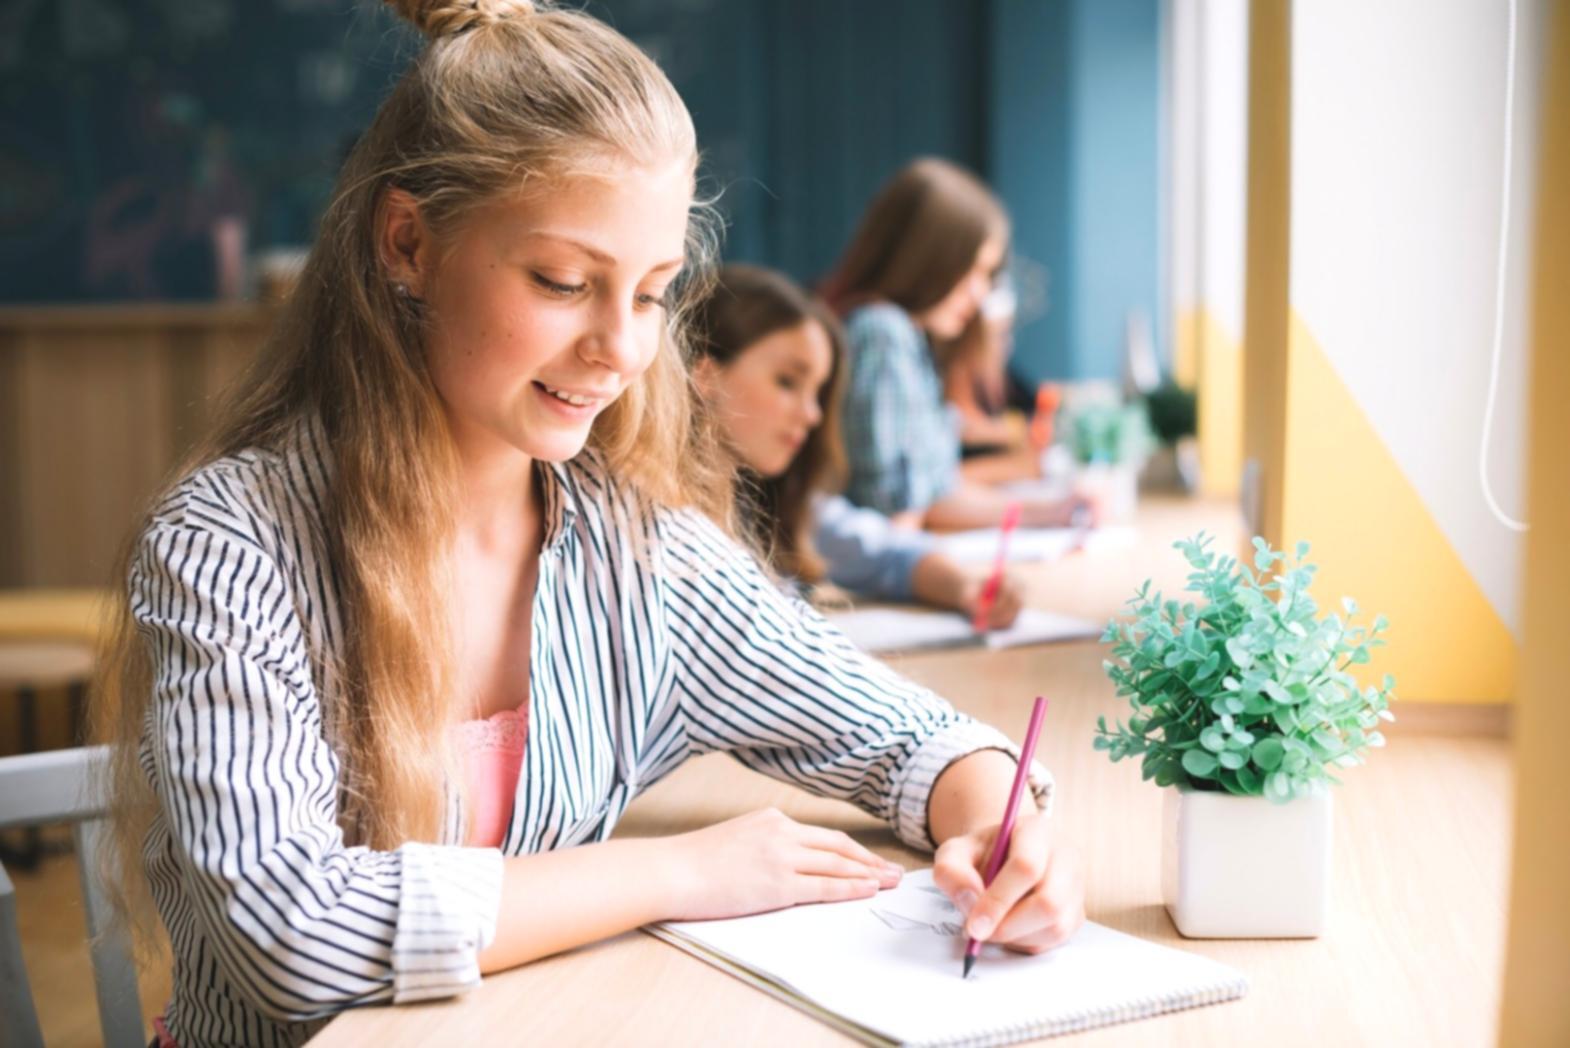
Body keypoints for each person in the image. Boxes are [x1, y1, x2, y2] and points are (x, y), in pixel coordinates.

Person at [90, 5, 1084, 1045]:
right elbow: (290, 938)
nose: (619, 349)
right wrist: (675, 870)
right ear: (407, 243)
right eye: (564, 283)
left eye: (651, 295)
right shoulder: (230, 543)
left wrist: (1007, 829)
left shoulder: (636, 551)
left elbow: (907, 737)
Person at [690, 263, 1025, 627]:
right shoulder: (666, 528)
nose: (812, 415)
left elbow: (886, 552)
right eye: (787, 382)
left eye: (817, 392)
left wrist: (965, 585)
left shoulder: (777, 501)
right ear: (707, 376)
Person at [823, 157, 1092, 530]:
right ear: (927, 259)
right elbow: (896, 512)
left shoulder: (904, 336)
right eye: (974, 271)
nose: (980, 293)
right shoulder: (882, 333)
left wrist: (1053, 512)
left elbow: (934, 494)